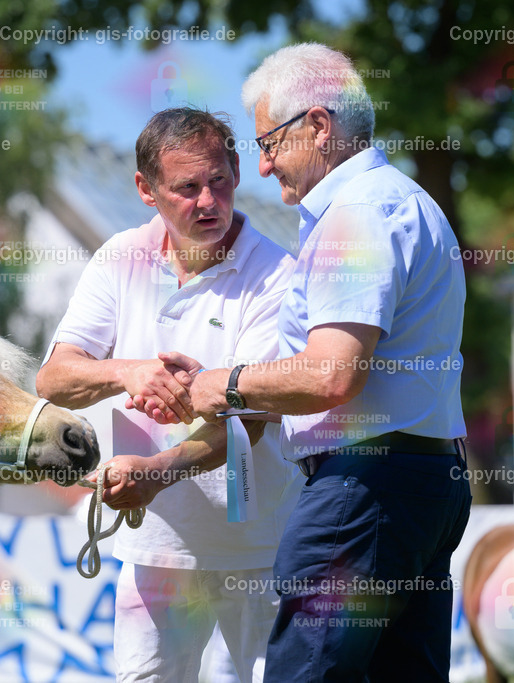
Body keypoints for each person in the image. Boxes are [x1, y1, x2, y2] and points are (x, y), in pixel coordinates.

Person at [130, 43, 472, 682]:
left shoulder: (354, 217)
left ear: (318, 127)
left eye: (270, 143)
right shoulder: (407, 201)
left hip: (360, 491)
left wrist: (223, 385)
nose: (260, 167)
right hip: (421, 483)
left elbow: (332, 374)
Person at [35, 108, 301, 683]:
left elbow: (250, 420)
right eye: (186, 187)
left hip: (256, 550)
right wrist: (127, 372)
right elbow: (53, 378)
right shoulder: (118, 257)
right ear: (145, 190)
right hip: (151, 550)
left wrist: (156, 472)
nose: (208, 201)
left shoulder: (278, 273)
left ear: (236, 168)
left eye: (220, 180)